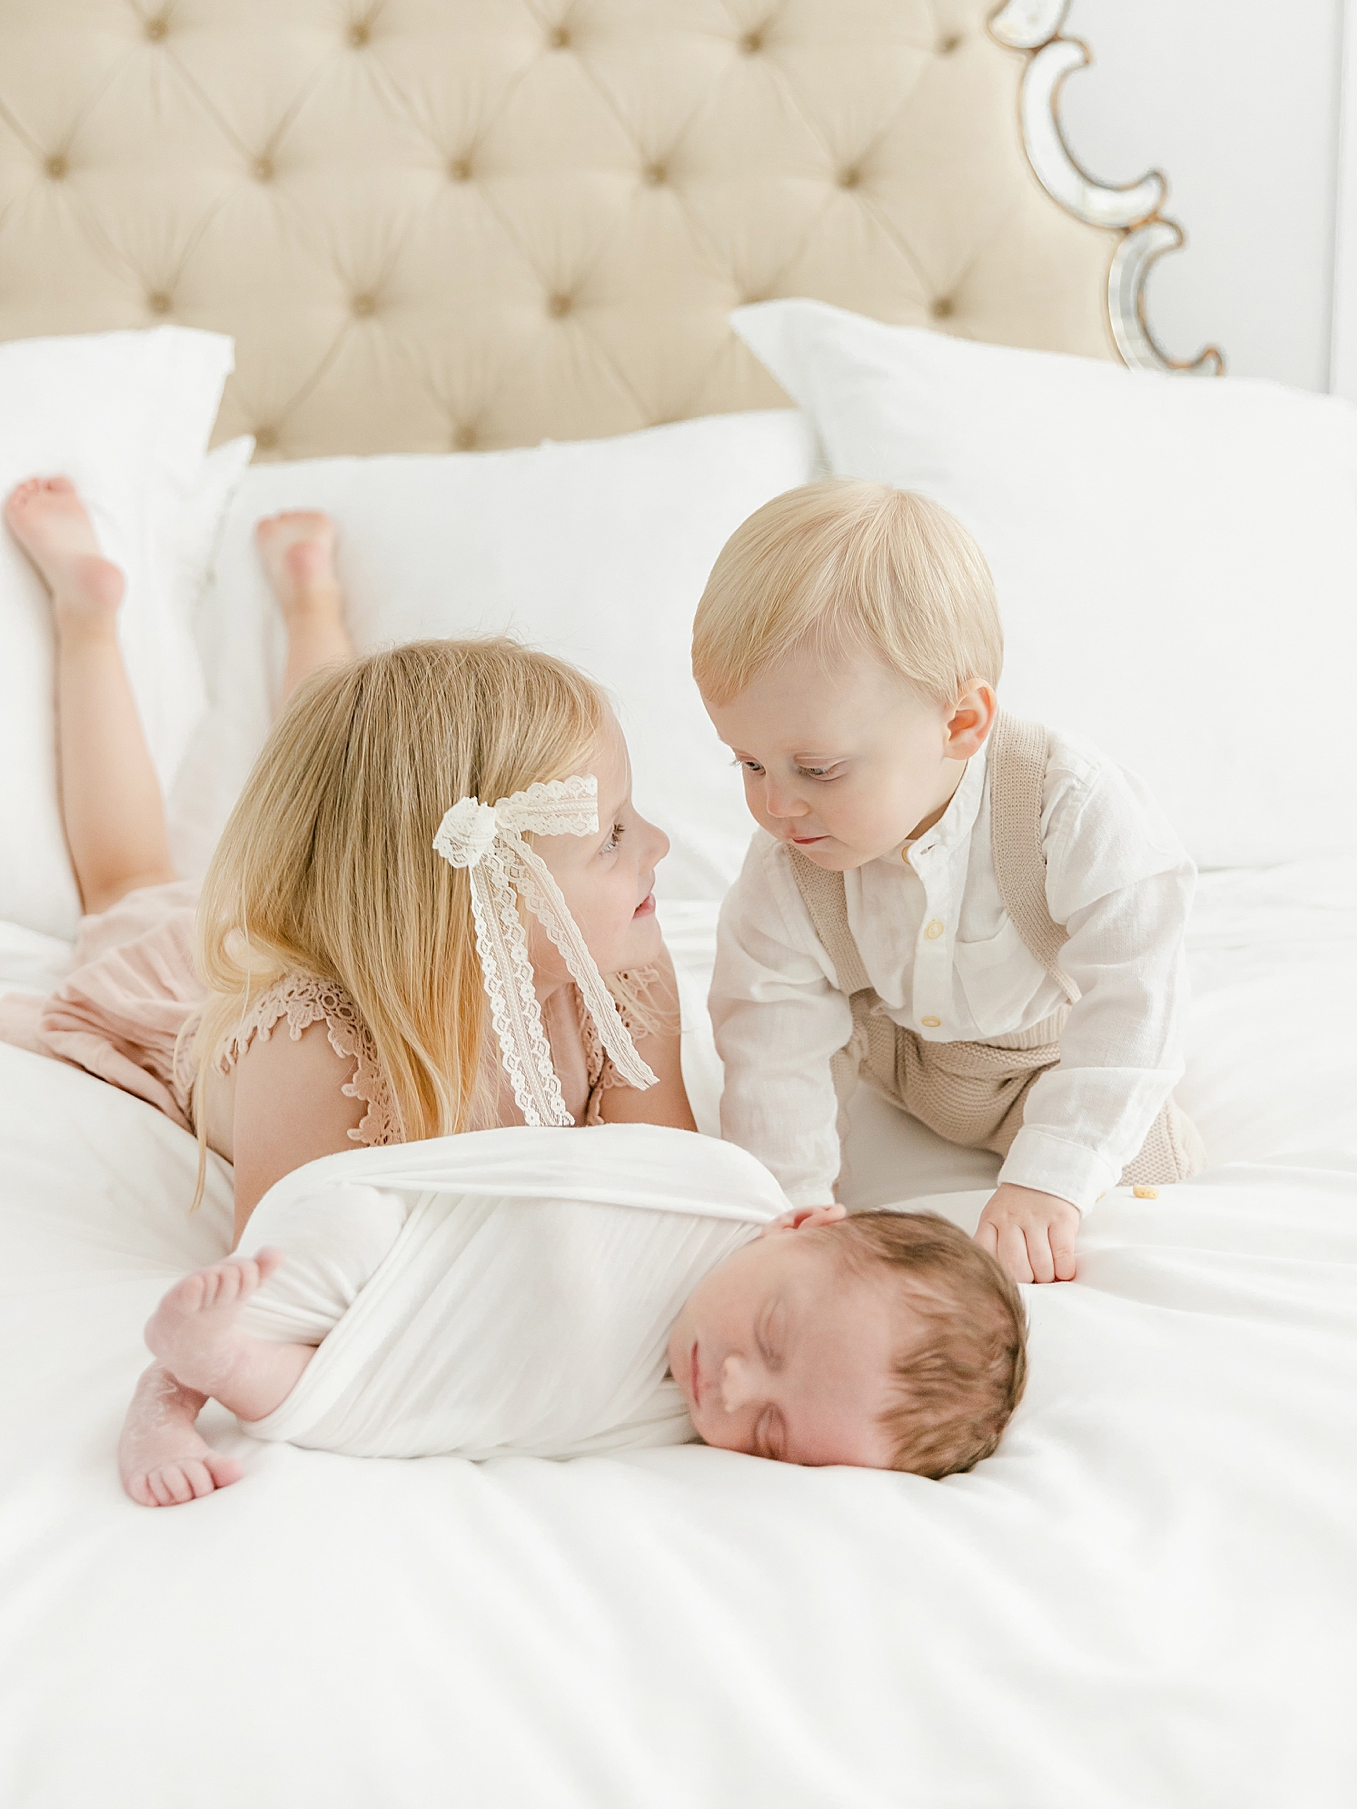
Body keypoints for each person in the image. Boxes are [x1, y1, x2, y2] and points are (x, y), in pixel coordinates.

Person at [1, 474, 695, 1257]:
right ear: (480, 897)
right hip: (190, 977)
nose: (657, 847)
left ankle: (311, 605)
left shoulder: (625, 970)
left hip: (372, 919)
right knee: (128, 879)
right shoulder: (312, 1055)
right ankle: (86, 615)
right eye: (611, 836)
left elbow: (671, 1192)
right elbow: (285, 1290)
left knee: (357, 779)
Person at [692, 480, 1203, 1289]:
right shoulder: (789, 865)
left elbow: (1140, 978)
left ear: (960, 724)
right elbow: (770, 1039)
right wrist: (790, 1209)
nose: (775, 804)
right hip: (896, 1060)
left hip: (1041, 1063)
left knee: (1155, 1173)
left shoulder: (1063, 805)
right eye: (748, 763)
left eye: (816, 769)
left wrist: (1051, 1177)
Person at [117, 1120, 1028, 1504]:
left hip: (403, 1366)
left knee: (302, 1397)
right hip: (405, 1232)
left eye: (774, 1437)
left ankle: (204, 1361)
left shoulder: (670, 1423)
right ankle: (166, 1387)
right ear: (799, 1223)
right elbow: (539, 1167)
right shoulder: (718, 1192)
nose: (734, 1387)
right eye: (772, 1334)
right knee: (335, 1240)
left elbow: (524, 1409)